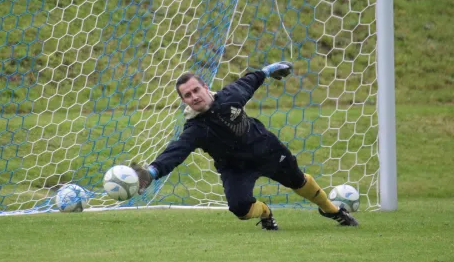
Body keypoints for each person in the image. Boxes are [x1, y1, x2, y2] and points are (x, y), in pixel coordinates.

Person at [131, 62, 358, 230]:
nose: (194, 96)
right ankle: (266, 213)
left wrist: (269, 70)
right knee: (240, 209)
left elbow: (251, 80)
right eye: (187, 95)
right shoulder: (194, 130)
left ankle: (331, 209)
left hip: (268, 151)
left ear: (205, 87)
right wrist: (151, 172)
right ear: (184, 101)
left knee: (298, 181)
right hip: (235, 168)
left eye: (196, 90)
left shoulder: (231, 96)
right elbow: (175, 152)